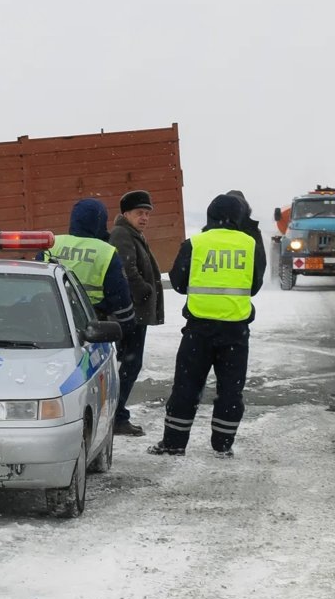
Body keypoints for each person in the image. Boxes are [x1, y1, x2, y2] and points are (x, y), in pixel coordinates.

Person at [147, 193, 265, 458]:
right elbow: (255, 286)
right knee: (231, 391)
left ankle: (174, 443)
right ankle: (223, 444)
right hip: (235, 331)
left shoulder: (196, 243)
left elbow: (177, 282)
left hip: (198, 331)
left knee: (186, 387)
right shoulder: (250, 244)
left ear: (210, 216)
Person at [108, 190, 165, 436]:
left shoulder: (133, 233)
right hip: (130, 314)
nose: (144, 217)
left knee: (128, 365)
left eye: (147, 213)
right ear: (125, 214)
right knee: (128, 365)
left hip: (133, 313)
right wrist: (144, 290)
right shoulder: (122, 234)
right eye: (139, 213)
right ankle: (116, 416)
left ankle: (116, 415)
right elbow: (125, 269)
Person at [44, 198, 135, 331]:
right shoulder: (105, 251)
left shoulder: (52, 243)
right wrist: (127, 322)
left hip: (53, 319)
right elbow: (118, 293)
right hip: (92, 321)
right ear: (100, 221)